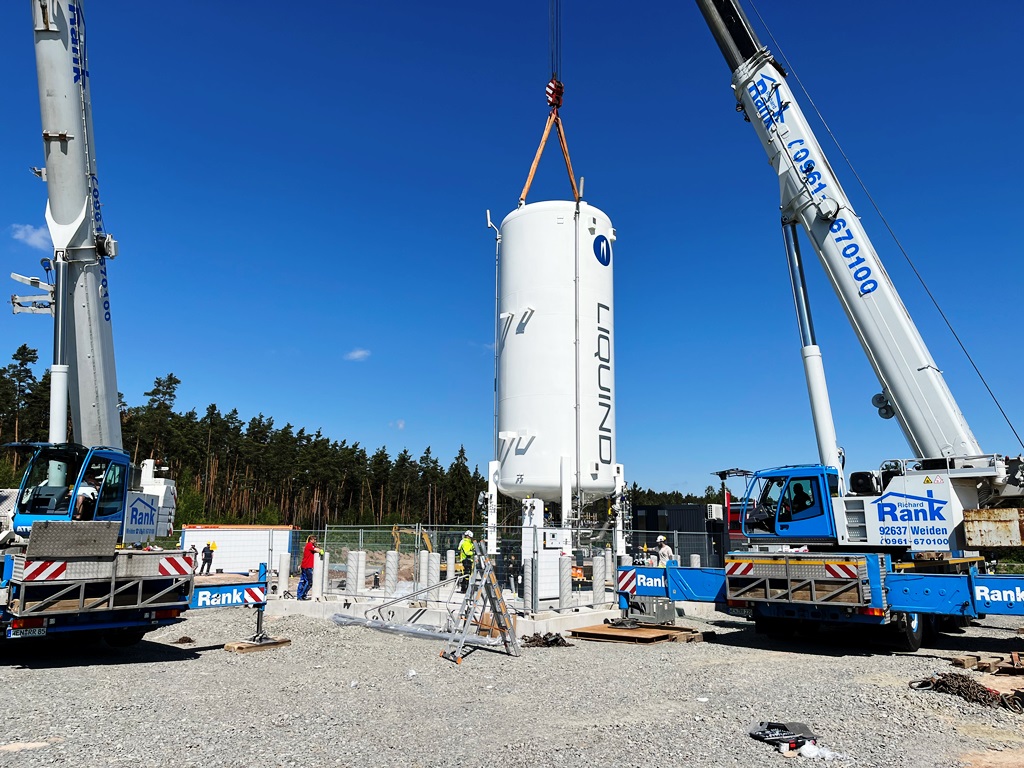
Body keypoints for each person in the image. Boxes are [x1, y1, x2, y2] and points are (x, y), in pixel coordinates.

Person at [296, 534, 319, 600]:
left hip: (305, 566)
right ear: (311, 540)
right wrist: (320, 550)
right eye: (314, 539)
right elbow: (317, 550)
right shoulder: (309, 545)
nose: (315, 541)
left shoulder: (309, 545)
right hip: (307, 566)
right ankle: (302, 595)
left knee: (303, 581)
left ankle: (300, 595)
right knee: (309, 582)